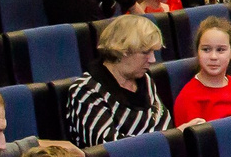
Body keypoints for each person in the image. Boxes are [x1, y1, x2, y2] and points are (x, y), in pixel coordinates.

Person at [60, 14, 172, 148]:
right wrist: (160, 141)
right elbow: (107, 148)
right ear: (123, 50)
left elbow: (165, 126)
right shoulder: (87, 91)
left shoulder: (145, 80)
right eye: (145, 52)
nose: (153, 60)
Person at [173, 18, 231, 124]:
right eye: (206, 49)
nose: (213, 57)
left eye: (220, 50)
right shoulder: (187, 99)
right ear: (197, 52)